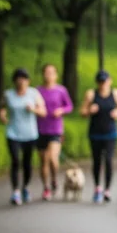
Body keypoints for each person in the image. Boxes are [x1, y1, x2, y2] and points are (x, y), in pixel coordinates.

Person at [79, 70, 117, 203]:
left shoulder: (116, 94)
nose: (103, 84)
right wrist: (89, 111)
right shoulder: (91, 94)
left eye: (105, 81)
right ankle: (97, 187)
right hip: (95, 133)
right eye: (100, 82)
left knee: (108, 160)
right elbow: (81, 112)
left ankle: (107, 189)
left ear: (110, 81)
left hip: (111, 133)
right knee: (96, 161)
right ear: (97, 82)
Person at [0, 68, 46, 205]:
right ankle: (15, 191)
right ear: (14, 81)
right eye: (19, 78)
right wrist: (2, 115)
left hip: (30, 134)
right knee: (15, 161)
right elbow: (1, 107)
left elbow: (43, 111)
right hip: (13, 133)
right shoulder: (8, 94)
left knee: (27, 163)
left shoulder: (34, 93)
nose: (21, 81)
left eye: (24, 78)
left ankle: (25, 186)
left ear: (28, 81)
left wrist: (33, 109)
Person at [36, 63, 74, 200]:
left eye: (52, 72)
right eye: (46, 72)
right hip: (40, 129)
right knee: (43, 161)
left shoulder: (61, 90)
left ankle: (54, 179)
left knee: (53, 158)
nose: (49, 75)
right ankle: (46, 187)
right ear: (43, 74)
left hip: (56, 129)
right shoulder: (37, 91)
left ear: (56, 75)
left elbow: (69, 106)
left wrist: (61, 110)